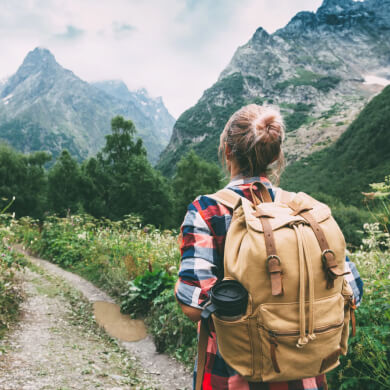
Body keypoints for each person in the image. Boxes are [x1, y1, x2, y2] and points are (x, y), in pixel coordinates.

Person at [175, 104, 363, 390]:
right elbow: (353, 291)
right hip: (306, 375)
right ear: (277, 156)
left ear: (227, 151)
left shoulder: (208, 210)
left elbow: (191, 304)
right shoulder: (304, 211)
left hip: (232, 374)